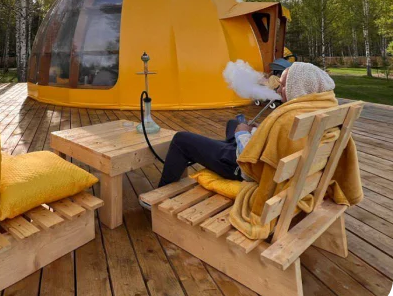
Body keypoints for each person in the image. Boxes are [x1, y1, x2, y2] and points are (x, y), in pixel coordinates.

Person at [140, 61, 336, 210]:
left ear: (300, 87)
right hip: (269, 162)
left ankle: (158, 196)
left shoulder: (287, 119)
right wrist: (259, 130)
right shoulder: (317, 109)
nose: (279, 89)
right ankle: (219, 149)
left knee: (182, 139)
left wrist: (243, 134)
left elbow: (247, 159)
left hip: (243, 167)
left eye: (285, 85)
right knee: (233, 123)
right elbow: (279, 143)